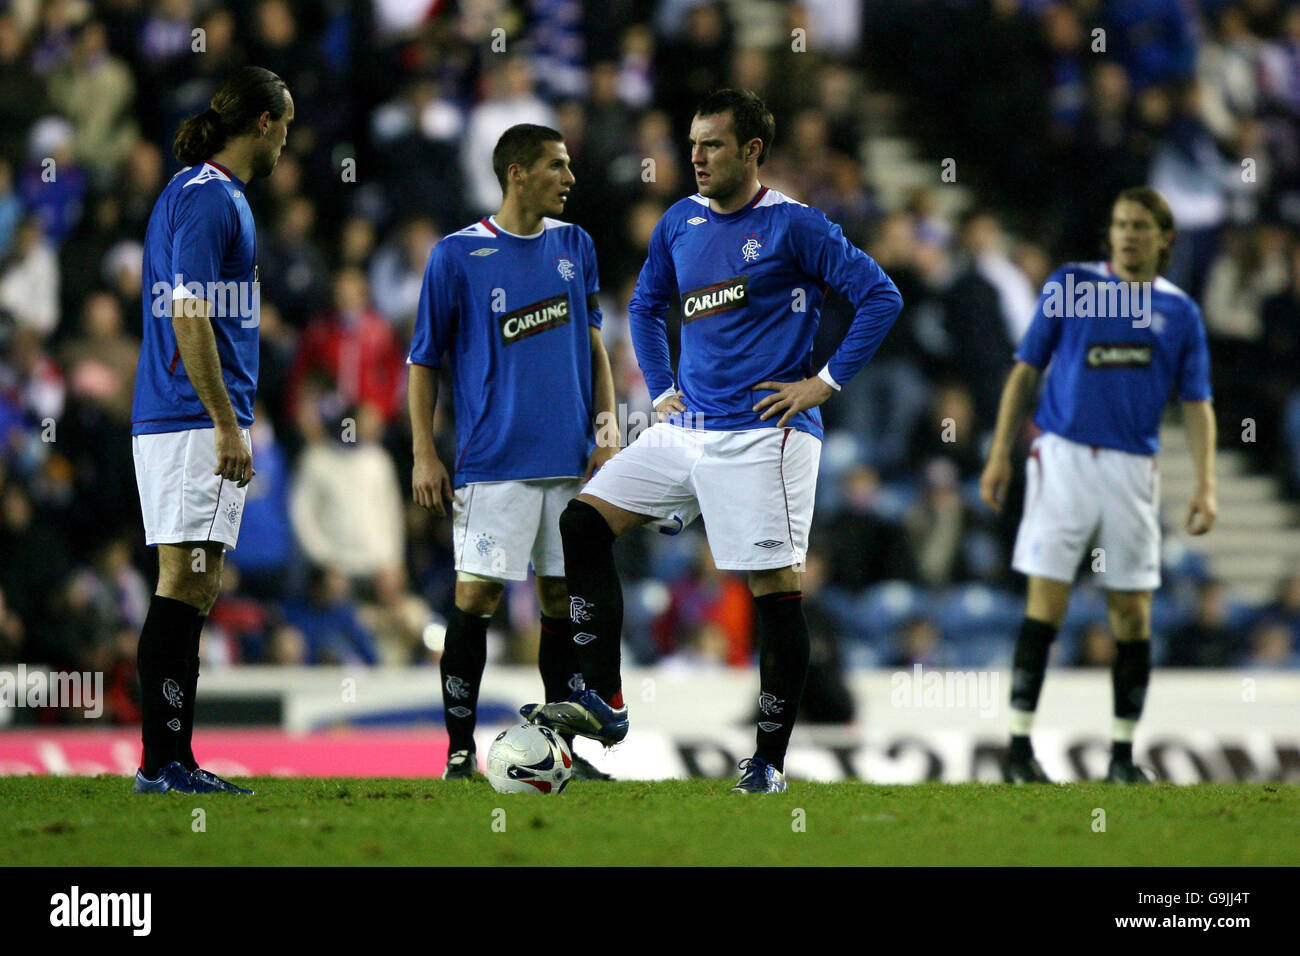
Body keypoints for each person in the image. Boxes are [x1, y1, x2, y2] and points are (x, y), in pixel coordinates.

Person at [521, 89, 903, 793]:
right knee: (583, 520)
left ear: (752, 150)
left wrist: (823, 383)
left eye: (713, 145)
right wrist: (662, 384)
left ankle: (767, 762)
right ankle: (604, 695)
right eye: (692, 144)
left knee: (773, 592)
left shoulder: (797, 226)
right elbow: (644, 302)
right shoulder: (679, 222)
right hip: (690, 427)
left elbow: (881, 296)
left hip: (767, 434)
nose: (695, 157)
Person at [979, 186, 1218, 785]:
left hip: (1133, 469)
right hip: (1063, 460)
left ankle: (1121, 757)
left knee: (1132, 614)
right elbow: (1025, 371)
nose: (1127, 234)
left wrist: (1207, 484)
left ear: (1165, 237)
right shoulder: (1071, 286)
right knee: (1047, 603)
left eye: (1140, 225)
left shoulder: (1179, 312)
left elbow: (1198, 404)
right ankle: (1016, 752)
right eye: (1119, 224)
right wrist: (999, 454)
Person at [408, 123, 618, 782]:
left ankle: (564, 752)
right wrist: (423, 451)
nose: (570, 178)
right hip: (492, 463)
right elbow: (424, 361)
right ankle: (459, 751)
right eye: (557, 165)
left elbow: (594, 345)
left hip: (570, 462)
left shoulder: (575, 245)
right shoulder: (456, 255)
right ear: (518, 172)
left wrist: (607, 429)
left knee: (561, 605)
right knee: (476, 599)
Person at [130, 66, 294, 794]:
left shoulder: (221, 196)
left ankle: (177, 759)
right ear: (262, 122)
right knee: (182, 579)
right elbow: (187, 312)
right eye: (285, 124)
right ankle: (159, 764)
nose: (290, 139)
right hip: (190, 415)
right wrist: (226, 422)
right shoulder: (205, 199)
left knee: (198, 583)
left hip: (203, 415)